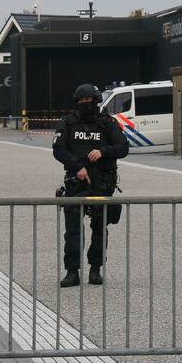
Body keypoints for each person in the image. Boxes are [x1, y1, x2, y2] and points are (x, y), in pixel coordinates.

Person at [53, 83, 129, 287]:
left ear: (96, 101)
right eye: (82, 101)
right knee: (72, 229)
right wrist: (77, 167)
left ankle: (95, 269)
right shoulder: (68, 123)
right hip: (77, 181)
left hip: (102, 182)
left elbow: (122, 147)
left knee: (99, 226)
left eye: (89, 101)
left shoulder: (107, 123)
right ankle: (72, 271)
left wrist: (103, 151)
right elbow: (58, 149)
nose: (86, 104)